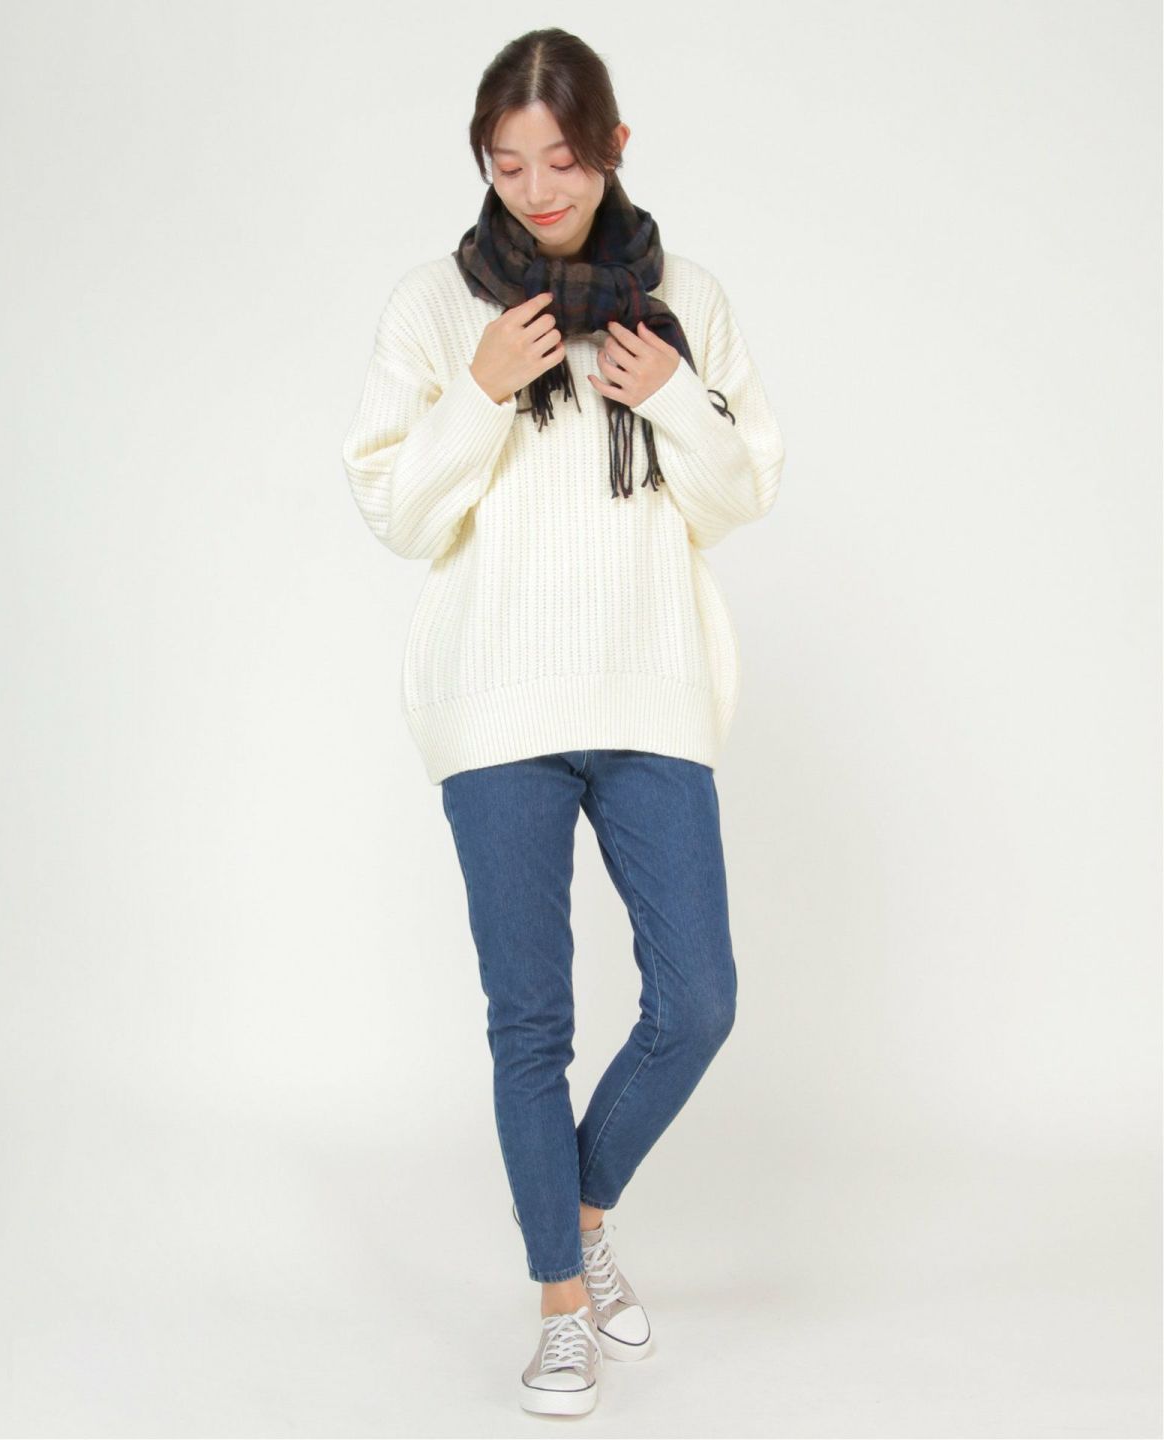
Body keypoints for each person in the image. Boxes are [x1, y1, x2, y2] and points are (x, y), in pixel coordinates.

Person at [340, 27, 785, 1418]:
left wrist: (678, 400)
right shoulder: (435, 307)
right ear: (484, 162)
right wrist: (477, 392)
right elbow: (397, 512)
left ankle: (580, 1217)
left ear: (614, 148)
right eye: (508, 164)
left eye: (563, 160)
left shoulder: (685, 300)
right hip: (496, 707)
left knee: (698, 1000)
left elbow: (738, 495)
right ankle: (557, 1307)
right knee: (531, 1022)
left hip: (649, 688)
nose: (536, 191)